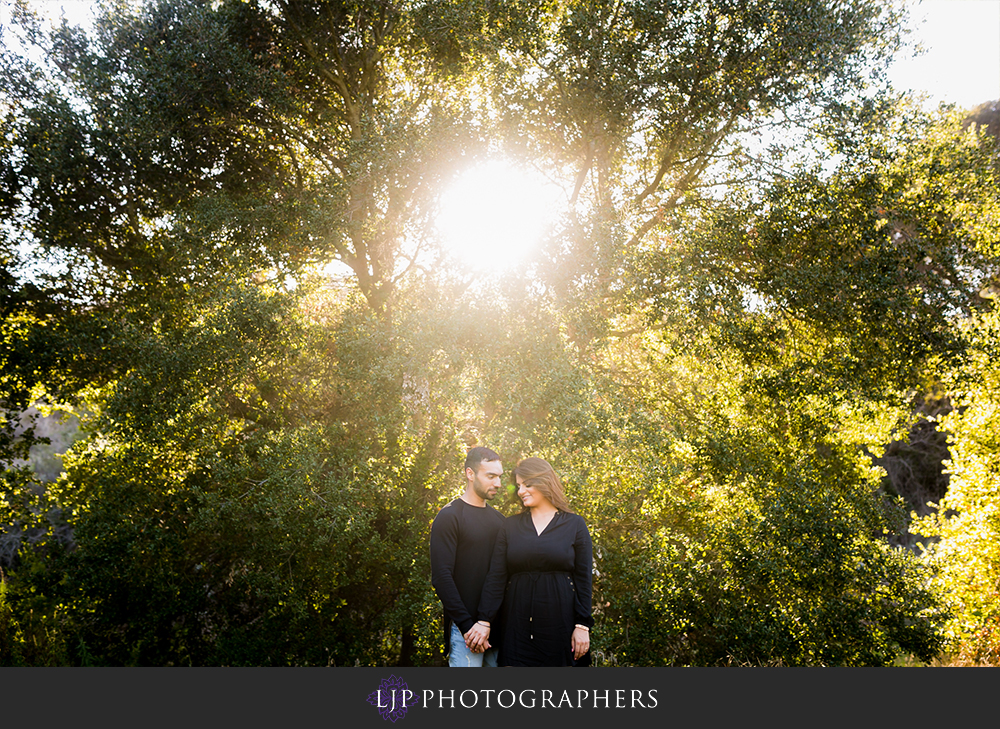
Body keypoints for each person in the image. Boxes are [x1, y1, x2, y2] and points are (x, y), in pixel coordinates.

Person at [469, 457, 593, 666]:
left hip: (561, 627)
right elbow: (496, 577)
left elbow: (583, 579)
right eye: (518, 486)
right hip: (517, 628)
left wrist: (582, 626)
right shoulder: (510, 526)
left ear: (545, 482)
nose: (521, 491)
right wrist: (484, 619)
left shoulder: (574, 524)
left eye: (527, 484)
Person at [429, 446, 505, 667]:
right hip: (465, 633)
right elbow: (442, 578)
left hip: (498, 629)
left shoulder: (501, 522)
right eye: (491, 476)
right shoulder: (449, 517)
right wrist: (468, 626)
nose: (498, 483)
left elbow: (501, 576)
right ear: (470, 474)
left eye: (499, 477)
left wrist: (488, 622)